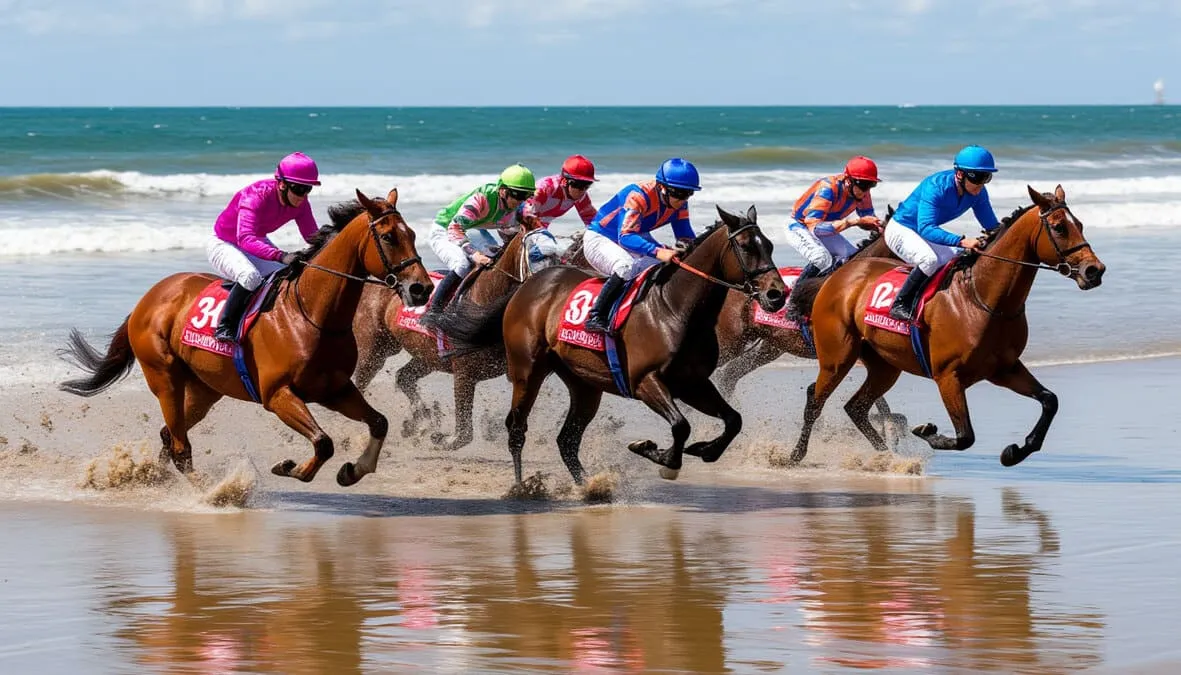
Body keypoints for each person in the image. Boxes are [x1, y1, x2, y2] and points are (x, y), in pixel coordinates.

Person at [207, 152, 321, 342]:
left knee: (287, 276)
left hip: (255, 242)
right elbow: (245, 238)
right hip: (223, 243)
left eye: (308, 188)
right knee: (250, 278)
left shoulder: (301, 203)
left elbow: (311, 236)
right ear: (282, 184)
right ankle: (225, 327)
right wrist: (281, 255)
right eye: (298, 188)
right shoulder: (254, 196)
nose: (303, 195)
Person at [581, 157, 700, 333]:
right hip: (601, 237)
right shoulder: (638, 196)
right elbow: (626, 237)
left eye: (688, 193)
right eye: (679, 193)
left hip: (635, 235)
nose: (683, 199)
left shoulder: (679, 203)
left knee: (670, 268)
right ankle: (596, 316)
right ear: (662, 187)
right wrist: (658, 251)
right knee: (626, 267)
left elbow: (684, 235)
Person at [885, 145, 1000, 322]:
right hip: (901, 229)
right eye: (977, 177)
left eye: (987, 177)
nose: (981, 184)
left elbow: (992, 226)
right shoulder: (936, 187)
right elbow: (926, 228)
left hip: (925, 232)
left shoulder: (978, 193)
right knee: (929, 260)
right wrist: (961, 241)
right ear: (960, 174)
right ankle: (900, 304)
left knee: (957, 259)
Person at [423, 163, 536, 318]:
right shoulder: (482, 198)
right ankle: (433, 312)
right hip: (445, 228)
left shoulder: (519, 207)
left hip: (472, 228)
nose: (520, 201)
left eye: (526, 195)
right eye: (517, 194)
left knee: (496, 261)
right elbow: (454, 228)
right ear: (503, 191)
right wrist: (474, 254)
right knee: (463, 265)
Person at [784, 156, 882, 321]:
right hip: (800, 226)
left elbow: (866, 217)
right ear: (849, 181)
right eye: (863, 185)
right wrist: (854, 222)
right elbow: (815, 227)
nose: (866, 191)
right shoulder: (828, 188)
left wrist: (879, 226)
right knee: (822, 258)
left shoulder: (862, 193)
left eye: (871, 185)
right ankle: (794, 304)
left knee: (852, 259)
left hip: (825, 228)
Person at [523, 154, 599, 228]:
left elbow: (592, 220)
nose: (582, 190)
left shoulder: (581, 195)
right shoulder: (544, 189)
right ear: (565, 181)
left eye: (587, 185)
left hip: (539, 226)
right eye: (578, 185)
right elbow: (526, 215)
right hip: (520, 222)